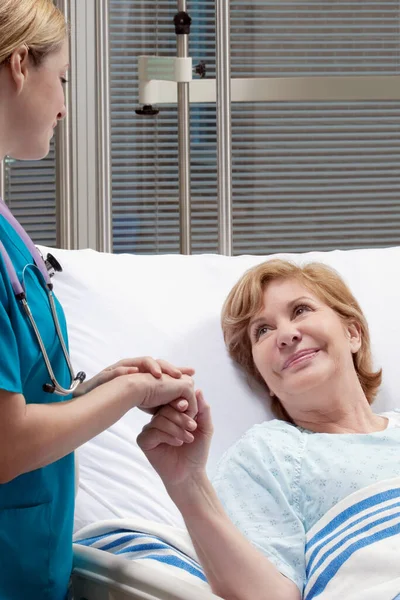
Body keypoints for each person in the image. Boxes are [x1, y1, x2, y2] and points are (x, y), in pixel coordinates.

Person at [0, 2, 197, 599]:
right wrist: (128, 394)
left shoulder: (10, 232)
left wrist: (95, 386)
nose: (63, 105)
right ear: (16, 67)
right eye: (60, 79)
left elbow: (25, 388)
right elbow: (6, 445)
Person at [138, 258, 400, 600]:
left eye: (301, 310)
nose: (287, 335)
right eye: (262, 331)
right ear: (264, 378)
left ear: (352, 334)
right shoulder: (268, 453)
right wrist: (187, 485)